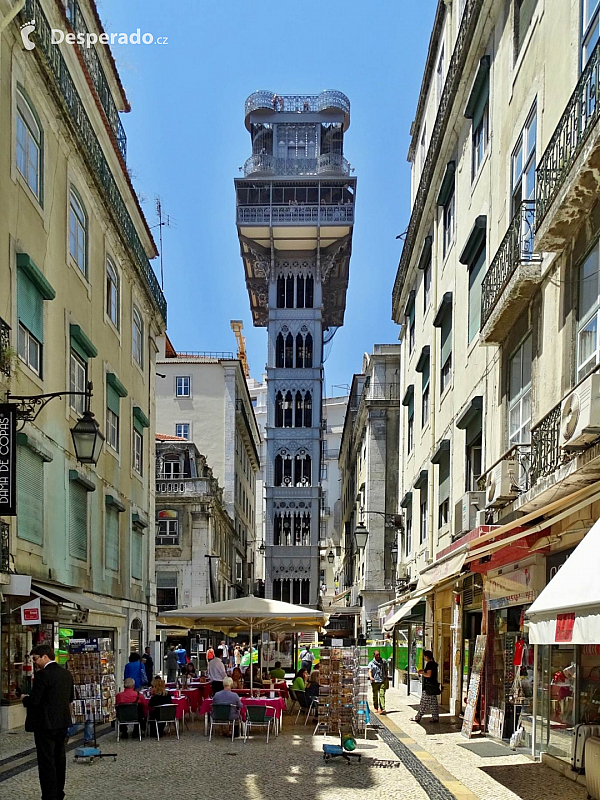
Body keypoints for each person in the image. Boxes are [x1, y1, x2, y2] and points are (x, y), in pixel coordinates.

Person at [22, 644, 74, 800]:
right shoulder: (66, 674)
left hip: (45, 725)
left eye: (36, 658)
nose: (34, 662)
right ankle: (59, 792)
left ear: (45, 656)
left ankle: (49, 795)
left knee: (47, 762)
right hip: (62, 722)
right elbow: (70, 698)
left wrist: (25, 699)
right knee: (60, 759)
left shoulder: (43, 675)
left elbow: (35, 701)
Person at [411, 650, 440, 724]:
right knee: (433, 704)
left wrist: (422, 673)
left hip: (428, 687)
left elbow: (428, 674)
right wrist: (423, 670)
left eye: (424, 656)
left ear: (427, 657)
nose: (424, 658)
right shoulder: (433, 664)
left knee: (423, 703)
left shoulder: (429, 664)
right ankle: (435, 718)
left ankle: (418, 717)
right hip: (432, 686)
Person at [368, 650, 389, 715]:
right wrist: (371, 677)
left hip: (382, 680)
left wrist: (386, 677)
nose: (378, 656)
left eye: (379, 654)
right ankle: (376, 707)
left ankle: (382, 708)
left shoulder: (383, 662)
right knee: (375, 695)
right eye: (377, 655)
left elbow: (386, 670)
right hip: (374, 681)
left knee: (382, 694)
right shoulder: (371, 663)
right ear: (374, 655)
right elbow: (370, 671)